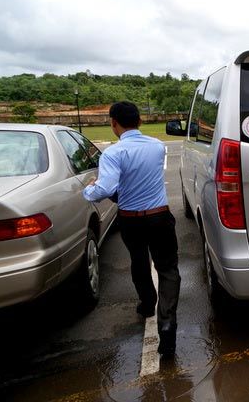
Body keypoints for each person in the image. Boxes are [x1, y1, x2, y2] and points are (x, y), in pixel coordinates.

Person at [83, 101, 180, 357]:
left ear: (114, 123)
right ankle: (167, 323)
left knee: (139, 260)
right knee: (168, 268)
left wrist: (89, 189)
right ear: (140, 121)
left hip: (130, 219)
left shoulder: (113, 154)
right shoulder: (158, 147)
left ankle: (147, 304)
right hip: (160, 216)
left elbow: (105, 189)